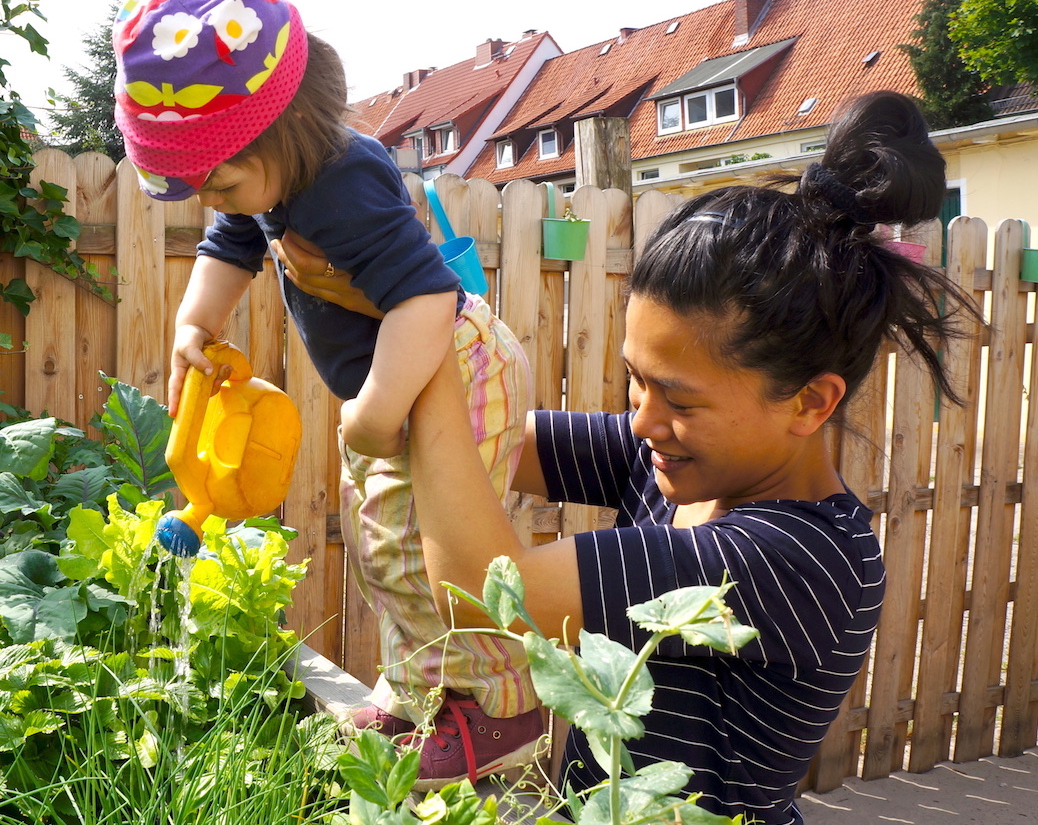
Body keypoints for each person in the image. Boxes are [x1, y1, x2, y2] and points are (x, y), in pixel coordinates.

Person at [275, 90, 976, 824]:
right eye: (635, 381)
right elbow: (485, 437)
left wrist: (428, 317)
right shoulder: (667, 464)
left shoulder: (802, 558)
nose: (643, 418)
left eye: (679, 399)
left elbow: (482, 595)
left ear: (809, 402)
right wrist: (399, 305)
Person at [112, 0, 542, 786]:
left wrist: (379, 408)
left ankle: (499, 708)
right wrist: (194, 322)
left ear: (284, 127)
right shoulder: (266, 186)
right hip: (398, 376)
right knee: (384, 549)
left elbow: (424, 296)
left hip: (450, 365)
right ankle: (423, 699)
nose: (218, 199)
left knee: (434, 551)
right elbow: (229, 243)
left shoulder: (341, 178)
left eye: (223, 179)